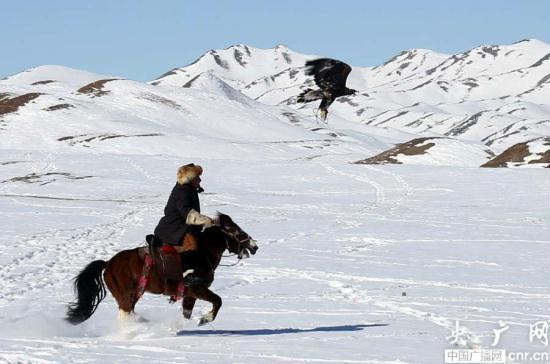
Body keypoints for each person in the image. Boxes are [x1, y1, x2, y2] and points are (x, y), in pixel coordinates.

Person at [154, 163, 215, 286]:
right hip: (173, 229)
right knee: (193, 245)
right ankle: (187, 276)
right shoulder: (183, 190)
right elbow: (187, 213)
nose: (200, 180)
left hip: (181, 228)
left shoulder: (189, 189)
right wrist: (205, 220)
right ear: (190, 179)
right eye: (197, 177)